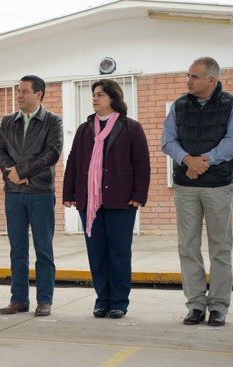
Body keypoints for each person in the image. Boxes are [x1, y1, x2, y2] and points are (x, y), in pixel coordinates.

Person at [162, 57, 233, 326]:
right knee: (187, 247)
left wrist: (201, 162)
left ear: (212, 80)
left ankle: (219, 306)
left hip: (218, 186)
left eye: (195, 77)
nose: (188, 81)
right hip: (185, 187)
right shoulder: (178, 106)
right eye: (188, 75)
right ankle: (196, 304)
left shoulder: (232, 104)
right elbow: (168, 141)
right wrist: (189, 160)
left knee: (220, 249)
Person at [63, 80, 150, 319]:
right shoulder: (84, 128)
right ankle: (102, 299)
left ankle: (119, 301)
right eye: (94, 94)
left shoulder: (131, 127)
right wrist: (68, 193)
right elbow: (73, 161)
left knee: (119, 252)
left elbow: (142, 163)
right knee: (97, 252)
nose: (95, 98)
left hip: (121, 201)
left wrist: (139, 195)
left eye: (100, 94)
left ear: (113, 97)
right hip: (89, 202)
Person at [0, 75, 63, 317]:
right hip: (13, 193)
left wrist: (21, 172)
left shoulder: (53, 121)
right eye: (18, 91)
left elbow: (52, 153)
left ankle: (44, 300)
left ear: (39, 94)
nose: (19, 96)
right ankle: (19, 300)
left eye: (24, 91)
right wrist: (12, 173)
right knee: (17, 249)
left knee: (43, 249)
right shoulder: (7, 121)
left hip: (41, 192)